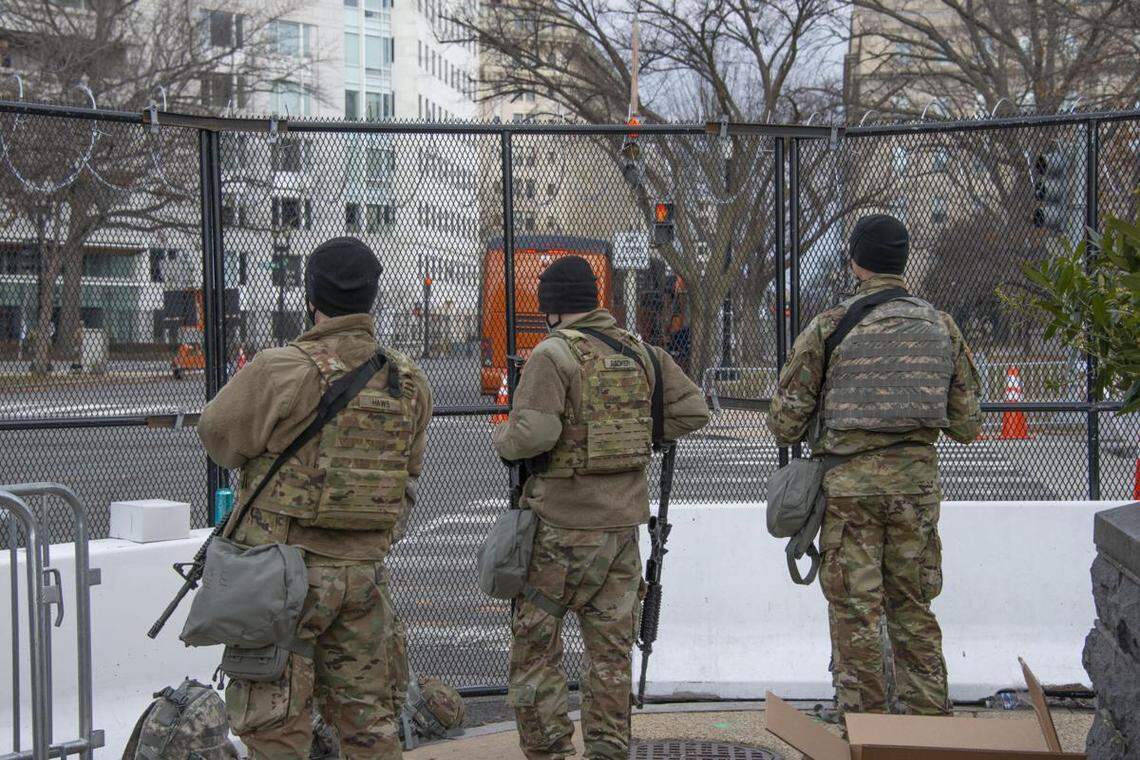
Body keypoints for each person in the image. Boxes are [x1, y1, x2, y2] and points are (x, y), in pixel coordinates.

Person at [197, 237, 432, 759]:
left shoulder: (281, 368)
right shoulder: (409, 381)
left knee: (276, 724)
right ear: (372, 297)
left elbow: (218, 437)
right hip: (365, 576)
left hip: (283, 576)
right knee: (370, 724)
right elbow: (406, 480)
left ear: (311, 296)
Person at [767, 214, 983, 722]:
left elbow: (785, 422)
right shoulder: (941, 325)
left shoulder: (830, 325)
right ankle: (930, 730)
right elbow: (967, 424)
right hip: (916, 492)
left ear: (855, 260)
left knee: (855, 615)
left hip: (850, 494)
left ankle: (866, 730)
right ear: (903, 261)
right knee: (913, 607)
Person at [492, 255, 710, 760]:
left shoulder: (552, 355)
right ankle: (609, 751)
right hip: (623, 530)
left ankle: (550, 752)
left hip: (559, 529)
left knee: (537, 650)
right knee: (610, 654)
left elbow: (536, 434)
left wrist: (504, 440)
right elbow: (693, 410)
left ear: (552, 309)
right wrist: (635, 437)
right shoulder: (642, 353)